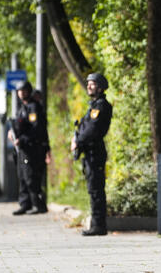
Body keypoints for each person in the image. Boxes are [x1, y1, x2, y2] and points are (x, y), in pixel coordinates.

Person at [71, 73, 113, 236]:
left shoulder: (101, 106)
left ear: (101, 86)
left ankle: (99, 225)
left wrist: (78, 141)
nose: (89, 86)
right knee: (93, 188)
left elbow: (93, 130)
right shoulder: (94, 105)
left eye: (92, 83)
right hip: (90, 152)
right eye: (88, 83)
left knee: (96, 189)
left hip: (95, 151)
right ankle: (97, 224)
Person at [9, 81, 48, 215]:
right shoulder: (22, 108)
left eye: (23, 90)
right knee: (22, 176)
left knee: (30, 177)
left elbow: (36, 128)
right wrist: (12, 134)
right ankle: (25, 203)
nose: (21, 93)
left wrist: (23, 139)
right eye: (19, 91)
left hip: (32, 148)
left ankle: (38, 204)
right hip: (22, 149)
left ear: (28, 91)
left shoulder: (33, 107)